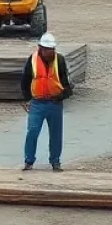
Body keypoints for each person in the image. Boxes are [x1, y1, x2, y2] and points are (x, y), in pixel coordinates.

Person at [20, 32, 72, 171]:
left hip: (55, 103)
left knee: (56, 134)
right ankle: (29, 161)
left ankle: (55, 161)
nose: (50, 52)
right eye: (47, 49)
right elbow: (25, 80)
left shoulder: (59, 60)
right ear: (40, 48)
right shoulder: (32, 60)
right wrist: (27, 99)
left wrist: (62, 96)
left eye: (52, 49)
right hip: (37, 103)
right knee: (32, 131)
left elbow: (66, 83)